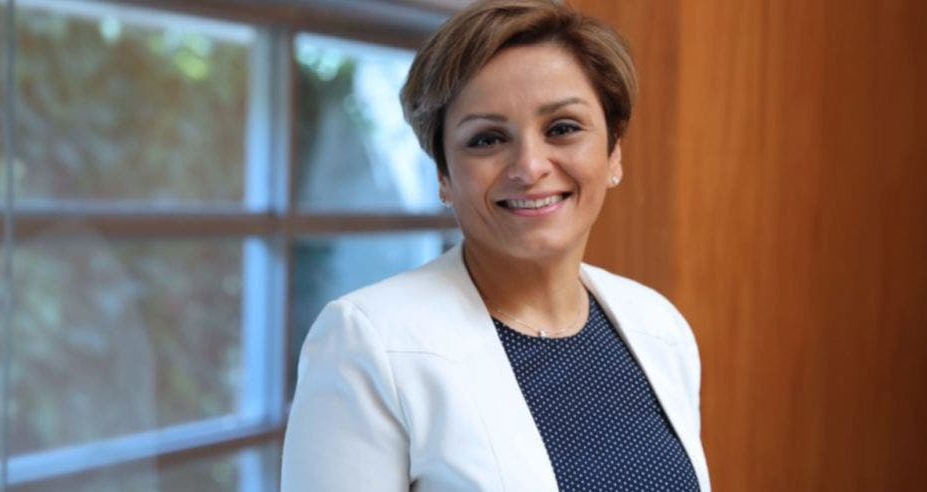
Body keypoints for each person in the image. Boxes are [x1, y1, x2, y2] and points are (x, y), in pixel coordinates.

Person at [281, 0, 710, 490]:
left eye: (563, 129)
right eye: (486, 139)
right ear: (444, 175)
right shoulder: (367, 344)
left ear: (613, 153)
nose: (529, 167)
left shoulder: (660, 328)